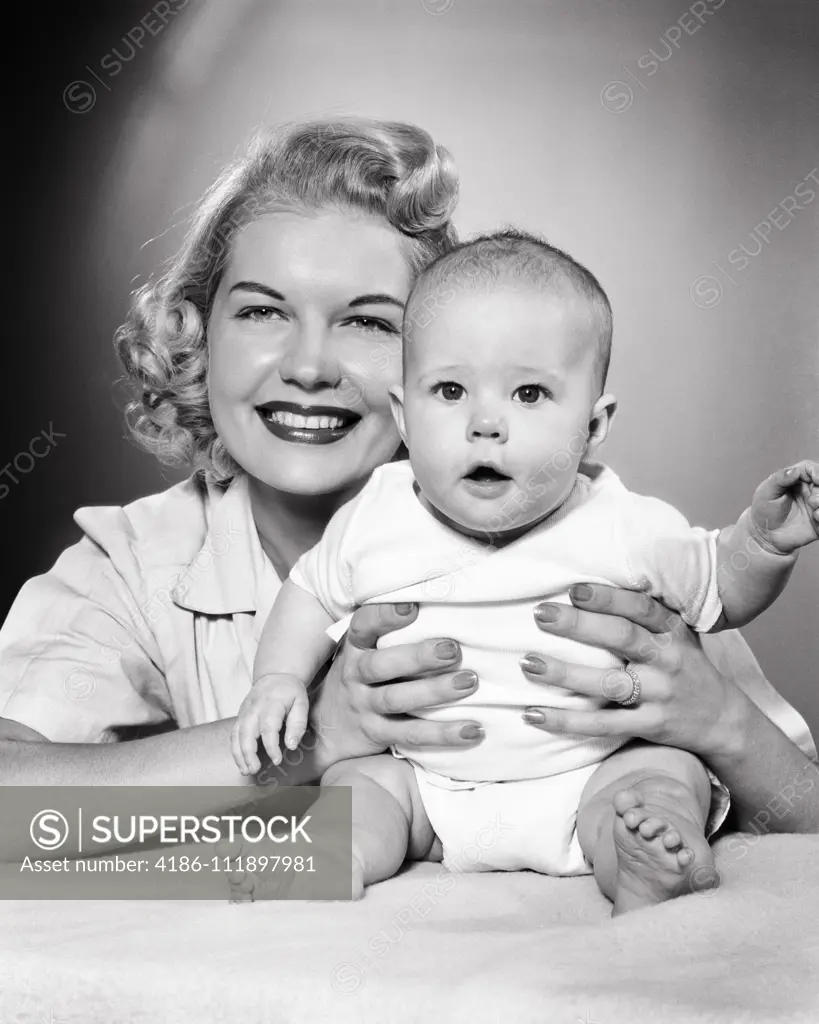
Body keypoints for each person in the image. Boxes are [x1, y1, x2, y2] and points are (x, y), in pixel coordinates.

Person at [0, 120, 815, 871]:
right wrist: (317, 738)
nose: (310, 366)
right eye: (260, 311)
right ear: (198, 337)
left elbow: (805, 825)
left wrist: (723, 726)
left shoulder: (603, 540)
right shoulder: (132, 566)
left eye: (367, 322)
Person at [233, 230, 818, 912]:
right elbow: (307, 595)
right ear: (403, 414)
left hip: (587, 772)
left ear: (593, 425)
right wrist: (277, 681)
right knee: (358, 792)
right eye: (449, 390)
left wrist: (764, 543)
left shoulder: (625, 523)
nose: (485, 423)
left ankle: (641, 861)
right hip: (426, 785)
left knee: (660, 776)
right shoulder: (376, 515)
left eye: (530, 395)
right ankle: (330, 856)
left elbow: (721, 588)